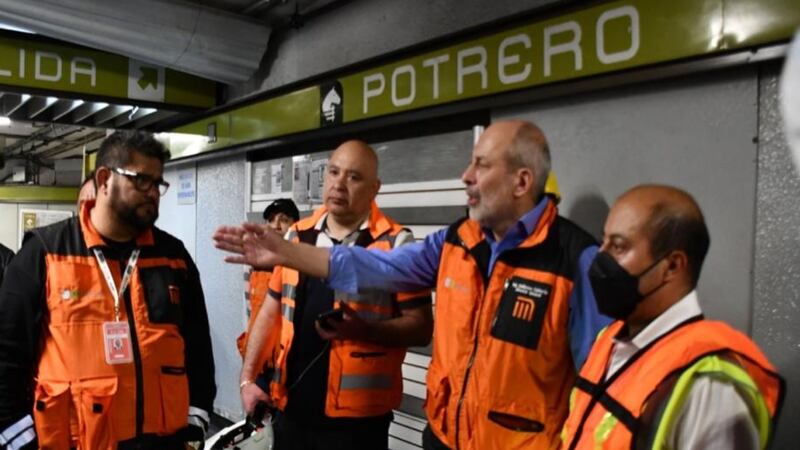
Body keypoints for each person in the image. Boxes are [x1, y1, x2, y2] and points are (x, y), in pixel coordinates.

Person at [214, 120, 611, 450]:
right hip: (441, 439)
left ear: (521, 182)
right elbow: (376, 267)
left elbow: (601, 388)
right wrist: (285, 253)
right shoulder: (457, 240)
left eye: (481, 165)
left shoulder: (576, 260)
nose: (465, 176)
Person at [0, 131, 216, 450]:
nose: (153, 193)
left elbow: (197, 345)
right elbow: (6, 357)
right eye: (142, 180)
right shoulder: (44, 254)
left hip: (162, 442)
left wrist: (196, 419)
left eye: (158, 183)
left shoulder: (173, 257)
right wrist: (20, 440)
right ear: (104, 179)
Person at [237, 140, 433, 450]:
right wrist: (247, 379)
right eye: (334, 172)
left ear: (375, 188)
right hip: (290, 411)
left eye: (354, 177)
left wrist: (365, 331)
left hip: (357, 427)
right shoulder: (297, 235)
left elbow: (421, 328)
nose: (339, 184)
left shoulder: (396, 244)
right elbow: (270, 310)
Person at [560, 185, 784, 450]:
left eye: (618, 247)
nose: (600, 256)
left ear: (673, 266)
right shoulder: (610, 341)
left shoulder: (709, 385)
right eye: (604, 241)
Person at [236, 199, 299, 361]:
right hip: (258, 354)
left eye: (284, 220)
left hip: (286, 355)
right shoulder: (254, 262)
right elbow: (250, 309)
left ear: (296, 225)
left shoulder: (302, 263)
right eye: (271, 219)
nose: (276, 225)